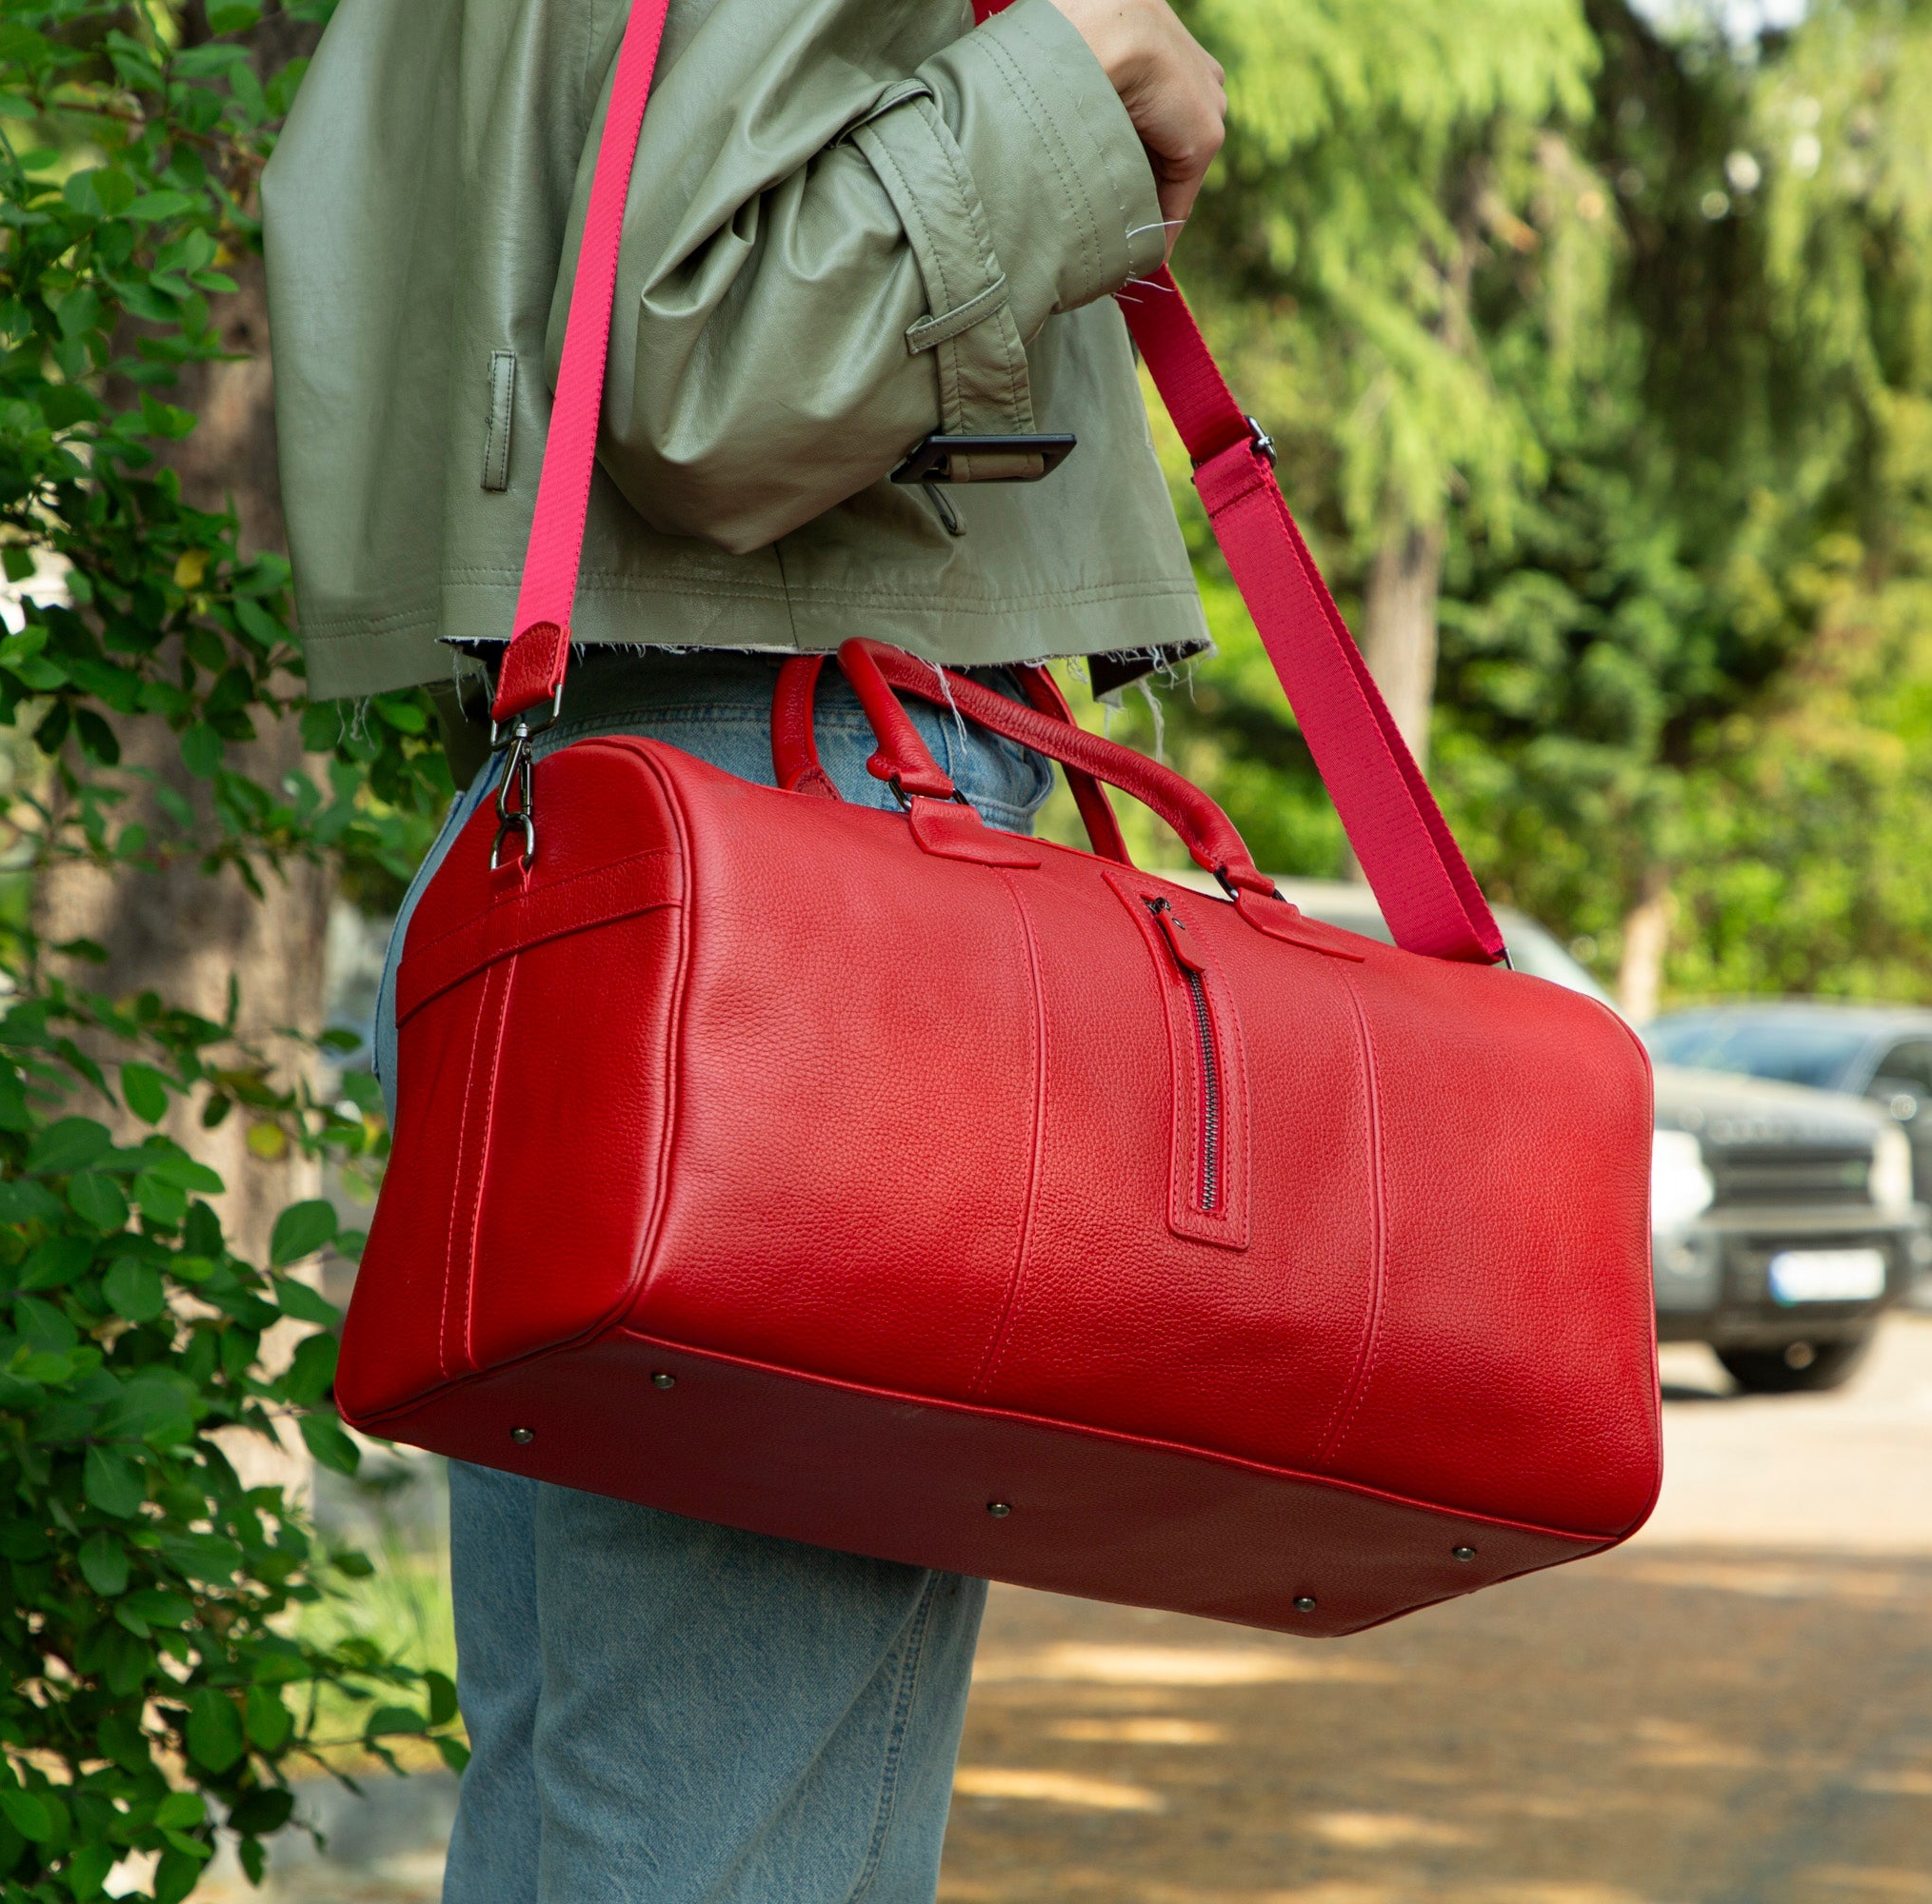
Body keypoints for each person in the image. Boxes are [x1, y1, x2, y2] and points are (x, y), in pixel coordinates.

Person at [262, 1, 1227, 1896]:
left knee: (600, 1808)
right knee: (718, 1832)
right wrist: (1099, 61)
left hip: (614, 839)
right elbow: (727, 374)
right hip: (798, 873)